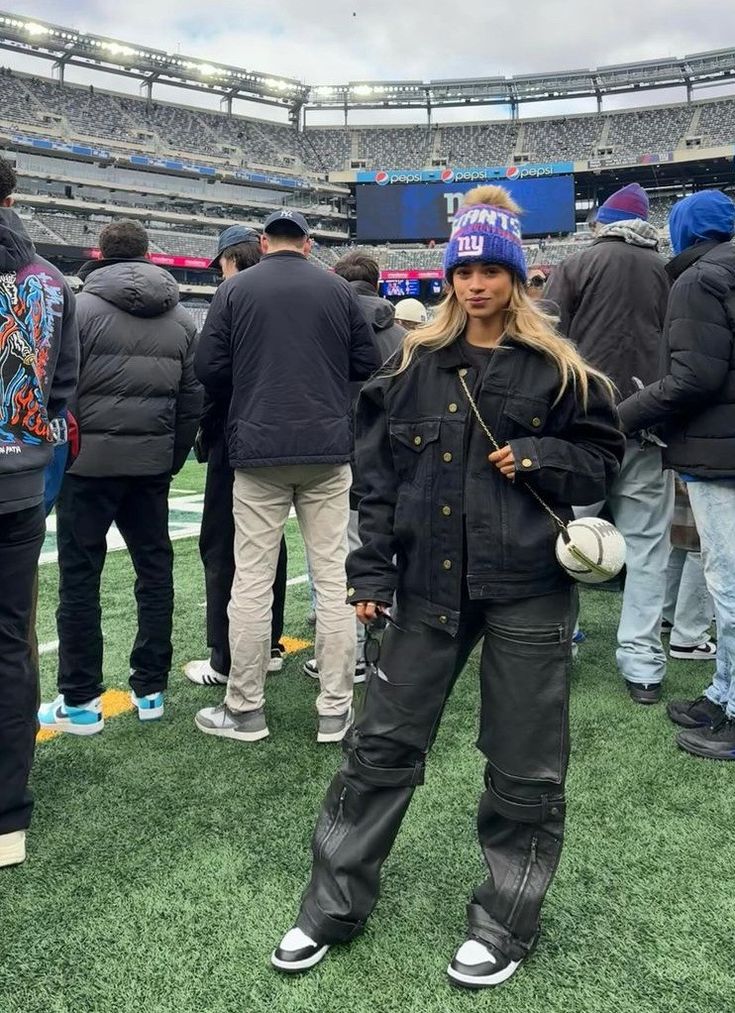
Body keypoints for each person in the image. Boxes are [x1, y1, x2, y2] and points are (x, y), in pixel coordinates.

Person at [272, 187, 624, 985]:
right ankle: (329, 904)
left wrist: (540, 457)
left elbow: (605, 459)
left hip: (530, 588)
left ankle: (503, 921)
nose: (474, 284)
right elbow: (375, 479)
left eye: (489, 270)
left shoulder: (559, 371)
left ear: (516, 277)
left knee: (525, 763)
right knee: (379, 748)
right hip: (425, 588)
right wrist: (368, 572)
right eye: (462, 269)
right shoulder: (410, 365)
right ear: (446, 276)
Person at [194, 209, 379, 744]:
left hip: (258, 448)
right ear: (308, 242)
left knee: (251, 580)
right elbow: (365, 361)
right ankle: (335, 711)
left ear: (261, 242)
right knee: (334, 579)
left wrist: (257, 374)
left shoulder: (236, 290)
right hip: (325, 448)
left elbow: (209, 367)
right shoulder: (337, 289)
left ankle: (245, 708)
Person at [39, 219, 201, 735]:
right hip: (149, 466)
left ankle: (81, 700)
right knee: (154, 575)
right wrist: (169, 459)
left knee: (80, 579)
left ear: (101, 254)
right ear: (148, 254)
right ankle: (150, 689)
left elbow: (54, 387)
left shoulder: (77, 308)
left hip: (86, 467)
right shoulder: (179, 318)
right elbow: (191, 401)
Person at [545, 182, 674, 705]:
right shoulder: (668, 272)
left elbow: (545, 344)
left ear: (602, 220)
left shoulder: (577, 264)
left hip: (582, 429)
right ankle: (642, 663)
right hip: (647, 426)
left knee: (562, 536)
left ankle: (556, 643)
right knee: (646, 549)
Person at [618, 189, 735, 760]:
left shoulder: (699, 279)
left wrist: (623, 416)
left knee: (729, 584)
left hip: (722, 452)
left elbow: (693, 379)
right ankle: (723, 692)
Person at [0, 154, 79, 868]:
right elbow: (63, 386)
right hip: (17, 480)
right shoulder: (47, 281)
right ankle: (7, 815)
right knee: (9, 637)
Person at [185, 225, 288, 687]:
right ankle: (270, 643)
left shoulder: (232, 298)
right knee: (272, 544)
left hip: (238, 436)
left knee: (224, 544)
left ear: (230, 260)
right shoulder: (289, 297)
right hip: (288, 437)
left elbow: (209, 371)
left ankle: (226, 656)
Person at [302, 250, 405, 686]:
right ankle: (395, 645)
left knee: (342, 556)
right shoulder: (404, 335)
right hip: (397, 459)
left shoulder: (324, 326)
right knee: (393, 548)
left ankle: (357, 654)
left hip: (342, 457)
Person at [662, 479, 714, 661]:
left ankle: (669, 615)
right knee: (705, 544)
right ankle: (689, 634)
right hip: (710, 464)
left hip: (684, 460)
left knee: (683, 538)